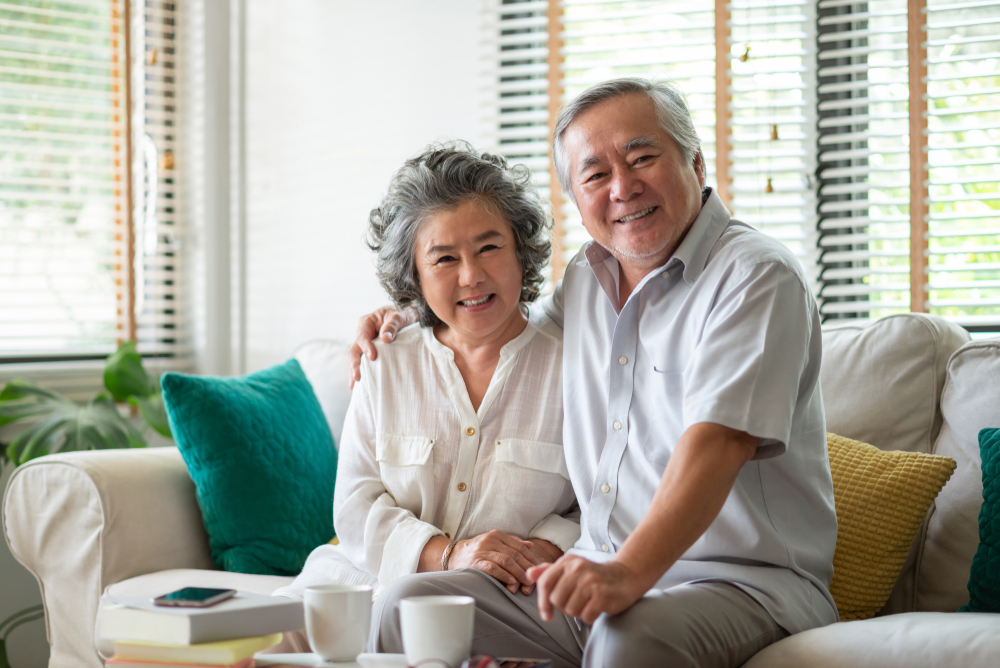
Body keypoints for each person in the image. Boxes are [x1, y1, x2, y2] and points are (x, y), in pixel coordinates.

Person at [351, 78, 839, 668]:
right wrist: (407, 313)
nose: (623, 187)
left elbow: (719, 442)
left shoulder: (756, 277)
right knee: (409, 604)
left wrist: (628, 573)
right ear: (576, 198)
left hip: (740, 586)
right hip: (595, 581)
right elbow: (500, 317)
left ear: (695, 161)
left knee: (628, 636)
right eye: (595, 175)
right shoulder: (586, 279)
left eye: (642, 158)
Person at [271, 143, 579, 648]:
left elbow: (599, 502)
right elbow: (355, 503)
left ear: (521, 250)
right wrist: (449, 553)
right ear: (414, 275)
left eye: (488, 248)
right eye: (444, 258)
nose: (471, 275)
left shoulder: (574, 363)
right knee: (252, 648)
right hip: (357, 583)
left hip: (498, 599)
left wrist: (540, 550)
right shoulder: (384, 360)